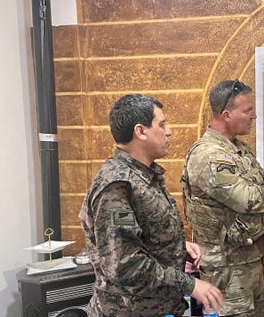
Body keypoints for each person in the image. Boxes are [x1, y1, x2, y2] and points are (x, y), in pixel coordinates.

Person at [79, 94, 224, 316]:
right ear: (141, 131)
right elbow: (125, 265)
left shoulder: (143, 175)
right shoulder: (117, 185)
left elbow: (138, 235)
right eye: (162, 124)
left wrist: (176, 246)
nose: (169, 131)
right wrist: (190, 284)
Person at [181, 79, 264, 316]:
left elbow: (263, 181)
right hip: (225, 268)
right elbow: (246, 199)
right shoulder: (209, 155)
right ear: (226, 114)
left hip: (247, 260)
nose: (253, 116)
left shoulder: (238, 149)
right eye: (247, 110)